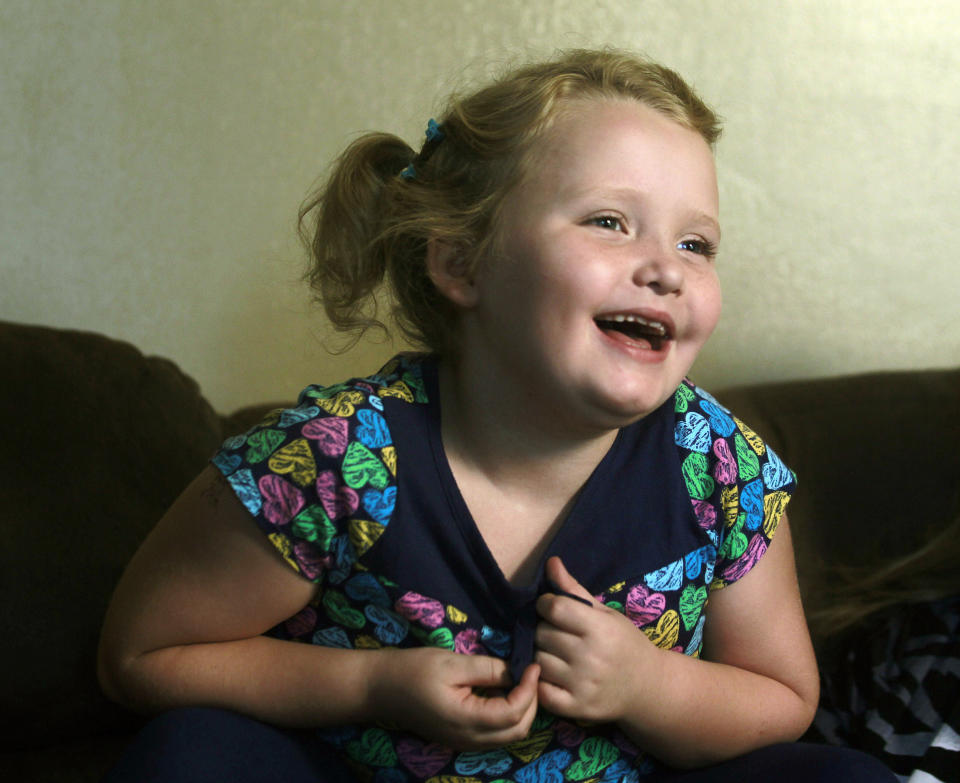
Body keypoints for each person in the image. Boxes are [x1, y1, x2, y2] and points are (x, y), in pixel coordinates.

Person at [97, 49, 897, 782]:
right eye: (609, 222)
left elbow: (781, 696)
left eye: (697, 243)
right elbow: (142, 655)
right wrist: (371, 684)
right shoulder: (334, 459)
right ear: (462, 262)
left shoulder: (722, 467)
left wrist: (647, 684)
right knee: (193, 752)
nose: (665, 269)